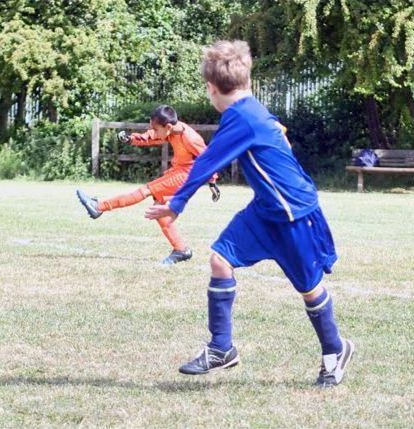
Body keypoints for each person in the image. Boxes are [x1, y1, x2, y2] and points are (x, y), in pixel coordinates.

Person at [144, 40, 354, 387]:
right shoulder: (250, 110)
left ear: (211, 88)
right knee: (220, 260)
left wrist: (176, 204)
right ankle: (221, 347)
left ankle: (335, 350)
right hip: (265, 210)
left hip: (294, 213)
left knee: (310, 289)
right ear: (247, 80)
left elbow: (207, 162)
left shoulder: (241, 117)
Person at [76, 105, 219, 265]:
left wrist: (212, 182)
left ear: (168, 127)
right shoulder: (171, 131)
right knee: (159, 211)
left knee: (145, 190)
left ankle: (99, 207)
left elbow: (209, 159)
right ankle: (181, 250)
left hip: (185, 175)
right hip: (177, 172)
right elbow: (152, 136)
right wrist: (131, 138)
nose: (153, 130)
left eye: (155, 128)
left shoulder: (190, 138)